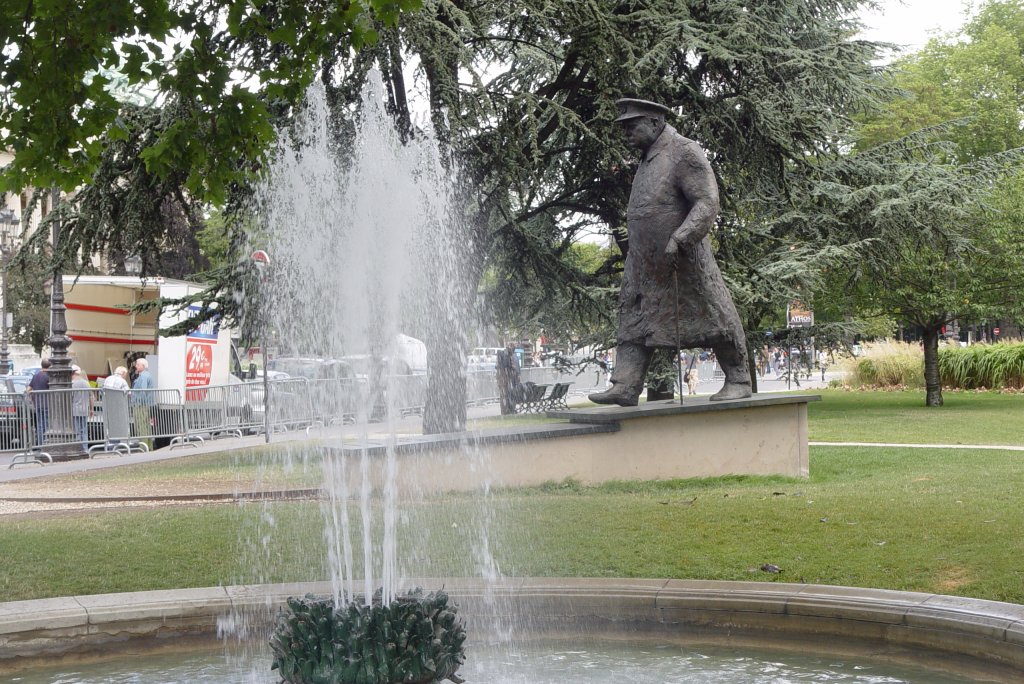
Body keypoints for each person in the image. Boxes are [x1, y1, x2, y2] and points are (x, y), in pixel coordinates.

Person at [589, 98, 751, 407]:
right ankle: (626, 384)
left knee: (712, 312)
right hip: (644, 261)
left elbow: (706, 202)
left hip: (681, 257)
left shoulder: (683, 151)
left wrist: (682, 237)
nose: (626, 134)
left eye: (631, 126)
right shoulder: (648, 157)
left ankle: (739, 379)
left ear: (654, 122)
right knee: (633, 315)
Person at [131, 357, 156, 447]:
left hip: (141, 405)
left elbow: (143, 390)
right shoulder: (145, 375)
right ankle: (148, 447)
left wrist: (139, 402)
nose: (136, 366)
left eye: (138, 364)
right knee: (146, 426)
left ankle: (144, 447)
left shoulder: (144, 376)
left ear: (143, 366)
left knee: (142, 427)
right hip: (144, 404)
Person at [26, 358, 51, 445]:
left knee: (40, 425)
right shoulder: (49, 376)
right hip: (47, 404)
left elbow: (28, 389)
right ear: (50, 366)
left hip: (37, 404)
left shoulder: (36, 375)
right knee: (47, 425)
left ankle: (40, 444)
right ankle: (45, 444)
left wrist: (31, 397)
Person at [71, 366, 93, 453]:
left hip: (74, 410)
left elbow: (70, 398)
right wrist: (91, 409)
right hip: (84, 410)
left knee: (76, 431)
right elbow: (91, 397)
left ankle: (78, 449)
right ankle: (85, 449)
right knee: (84, 430)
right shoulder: (86, 383)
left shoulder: (72, 384)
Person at [495, 343, 522, 415]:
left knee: (509, 394)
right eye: (512, 351)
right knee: (504, 395)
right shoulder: (504, 356)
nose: (512, 352)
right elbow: (504, 367)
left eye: (513, 351)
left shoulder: (511, 356)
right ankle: (505, 410)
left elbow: (515, 368)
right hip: (505, 379)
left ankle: (510, 409)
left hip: (509, 379)